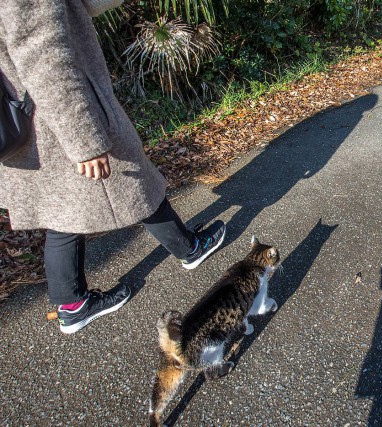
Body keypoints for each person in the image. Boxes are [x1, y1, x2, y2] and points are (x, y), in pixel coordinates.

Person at [0, 0, 225, 334]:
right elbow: (45, 60)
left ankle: (73, 305)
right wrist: (84, 141)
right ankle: (189, 248)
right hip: (62, 116)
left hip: (33, 118)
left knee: (63, 209)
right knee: (133, 180)